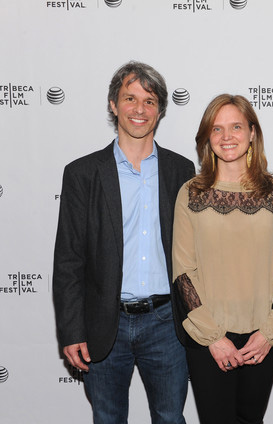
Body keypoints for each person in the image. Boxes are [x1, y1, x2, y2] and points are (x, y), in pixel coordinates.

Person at [52, 61, 194, 423]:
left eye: (149, 101)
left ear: (160, 110)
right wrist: (72, 331)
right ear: (113, 105)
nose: (139, 109)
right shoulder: (82, 174)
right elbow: (68, 260)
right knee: (108, 417)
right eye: (130, 98)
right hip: (103, 324)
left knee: (169, 417)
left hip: (167, 324)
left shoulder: (181, 171)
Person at [171, 94, 273, 424]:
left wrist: (269, 331)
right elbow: (183, 271)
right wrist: (213, 337)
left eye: (236, 126)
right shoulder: (191, 192)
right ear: (207, 138)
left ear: (252, 132)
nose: (227, 137)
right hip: (208, 337)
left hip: (261, 336)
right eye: (217, 129)